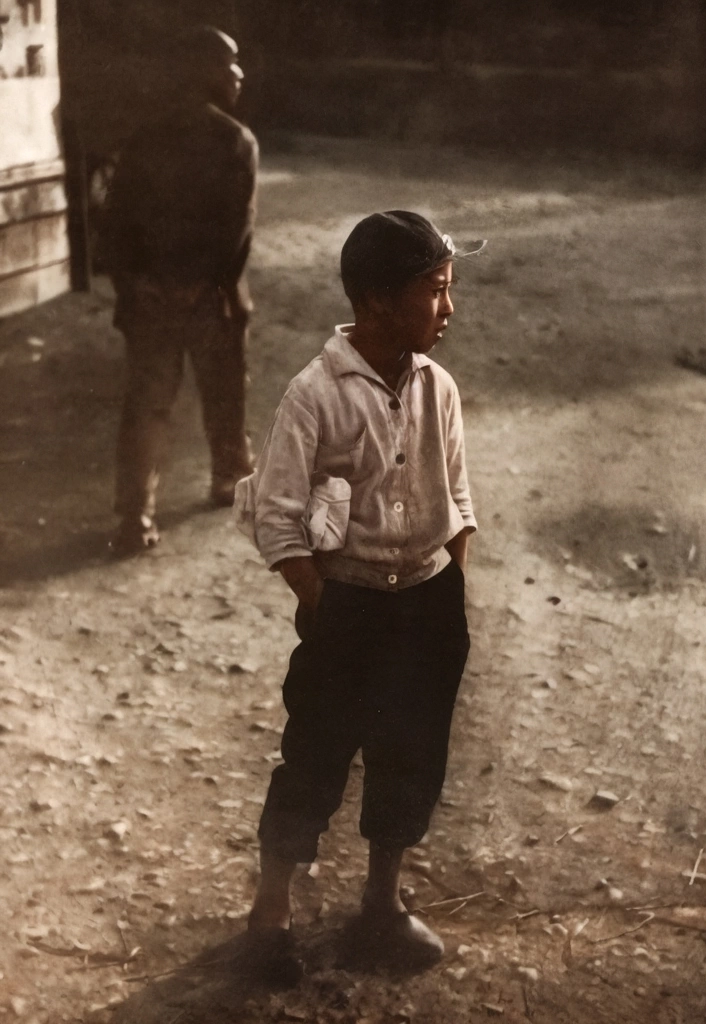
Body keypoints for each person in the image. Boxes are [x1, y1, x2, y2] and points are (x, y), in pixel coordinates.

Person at [237, 211, 477, 982]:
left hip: (427, 605)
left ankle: (382, 903)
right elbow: (276, 515)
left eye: (449, 291)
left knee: (411, 755)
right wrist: (323, 603)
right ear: (377, 302)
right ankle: (271, 911)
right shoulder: (315, 394)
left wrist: (446, 583)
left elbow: (459, 497)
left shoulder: (439, 387)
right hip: (350, 606)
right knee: (315, 753)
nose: (448, 308)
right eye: (434, 292)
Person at [102, 26, 258, 555]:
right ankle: (228, 477)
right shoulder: (236, 141)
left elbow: (116, 223)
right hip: (210, 299)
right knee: (224, 390)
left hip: (150, 298)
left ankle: (134, 518)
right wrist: (202, 286)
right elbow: (234, 231)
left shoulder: (145, 138)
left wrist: (136, 286)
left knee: (146, 406)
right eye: (230, 64)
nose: (239, 74)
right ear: (209, 73)